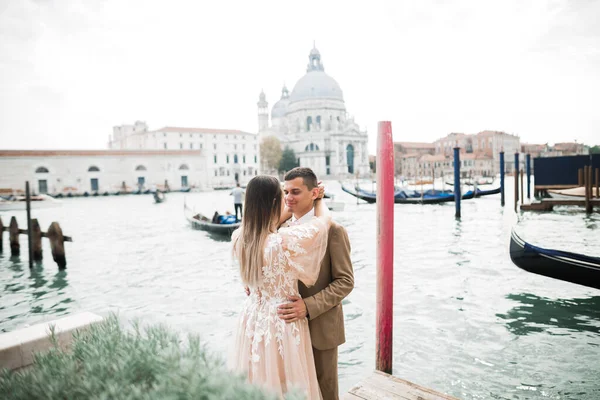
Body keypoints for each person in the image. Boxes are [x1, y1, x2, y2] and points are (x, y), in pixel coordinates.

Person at [230, 175, 330, 399]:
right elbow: (322, 224)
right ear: (276, 203)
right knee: (286, 385)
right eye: (282, 196)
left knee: (258, 379)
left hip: (252, 317)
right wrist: (319, 199)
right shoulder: (282, 241)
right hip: (281, 321)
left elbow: (264, 224)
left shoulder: (239, 236)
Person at [277, 167, 354, 400]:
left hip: (320, 327)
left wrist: (307, 307)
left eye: (295, 192)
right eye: (286, 191)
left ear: (314, 193)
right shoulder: (279, 229)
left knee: (325, 391)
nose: (288, 197)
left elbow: (345, 281)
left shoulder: (334, 231)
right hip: (285, 327)